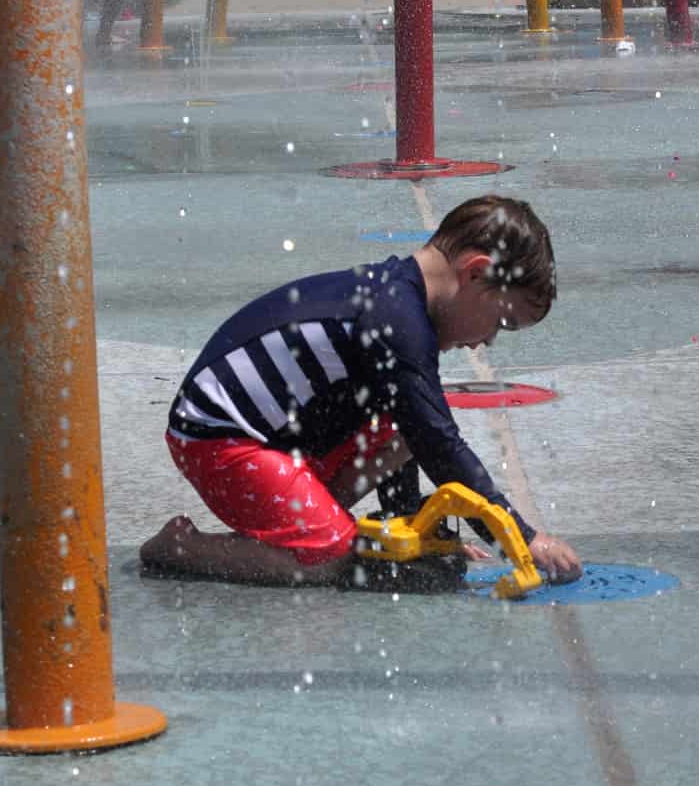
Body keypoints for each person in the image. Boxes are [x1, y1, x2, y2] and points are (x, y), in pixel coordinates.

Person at [139, 196, 583, 589]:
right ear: (476, 272)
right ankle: (180, 548)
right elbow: (438, 443)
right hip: (219, 443)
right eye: (502, 322)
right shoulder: (397, 321)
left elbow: (409, 428)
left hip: (274, 441)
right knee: (330, 556)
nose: (488, 341)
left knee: (406, 423)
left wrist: (412, 533)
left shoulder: (398, 301)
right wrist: (522, 538)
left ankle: (300, 528)